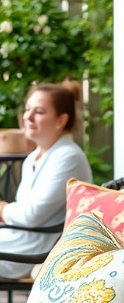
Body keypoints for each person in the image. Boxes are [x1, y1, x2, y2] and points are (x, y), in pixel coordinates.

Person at [0, 83, 92, 280]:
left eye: (39, 112)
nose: (28, 117)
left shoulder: (68, 157)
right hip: (17, 239)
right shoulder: (33, 158)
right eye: (27, 109)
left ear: (61, 120)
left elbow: (33, 215)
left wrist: (2, 209)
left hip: (32, 250)